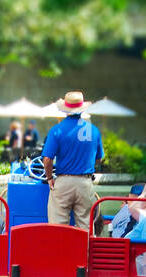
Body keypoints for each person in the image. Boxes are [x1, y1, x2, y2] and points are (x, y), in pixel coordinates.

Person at [41, 90, 105, 232]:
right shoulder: (94, 130)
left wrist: (50, 177)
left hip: (63, 182)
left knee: (58, 227)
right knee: (86, 228)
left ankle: (60, 254)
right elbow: (99, 158)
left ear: (65, 109)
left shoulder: (56, 130)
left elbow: (47, 159)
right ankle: (84, 254)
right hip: (85, 183)